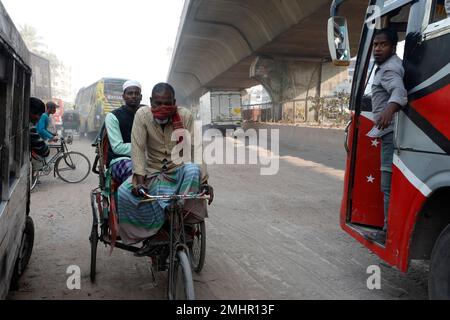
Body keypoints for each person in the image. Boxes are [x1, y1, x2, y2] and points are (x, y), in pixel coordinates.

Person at [117, 83, 214, 253]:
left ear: (174, 102)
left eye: (167, 103)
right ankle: (152, 231)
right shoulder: (142, 115)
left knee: (193, 170)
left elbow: (196, 148)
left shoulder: (185, 116)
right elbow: (137, 147)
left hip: (178, 169)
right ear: (150, 102)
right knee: (123, 193)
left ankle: (181, 220)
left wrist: (204, 181)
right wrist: (139, 180)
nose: (162, 107)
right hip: (152, 171)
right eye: (157, 103)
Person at [367, 28, 408, 244]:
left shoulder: (389, 69)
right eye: (375, 45)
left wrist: (388, 111)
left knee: (387, 185)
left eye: (382, 45)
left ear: (393, 47)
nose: (377, 49)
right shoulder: (387, 66)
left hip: (390, 134)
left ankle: (386, 231)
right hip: (389, 133)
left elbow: (399, 93)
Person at [104, 80, 143, 185]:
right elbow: (118, 147)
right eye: (130, 93)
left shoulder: (147, 114)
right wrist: (146, 149)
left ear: (141, 97)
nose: (134, 96)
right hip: (121, 159)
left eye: (136, 93)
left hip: (146, 158)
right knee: (133, 171)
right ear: (124, 96)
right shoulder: (112, 117)